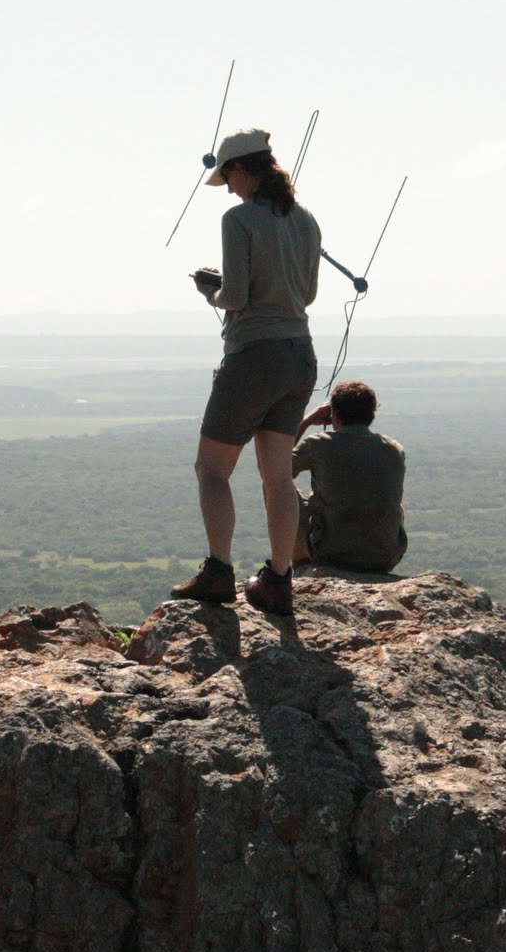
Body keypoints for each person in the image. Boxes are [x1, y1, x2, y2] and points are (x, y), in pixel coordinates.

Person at [169, 127, 321, 615]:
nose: (228, 188)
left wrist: (210, 291)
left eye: (228, 178)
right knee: (277, 475)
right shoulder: (305, 219)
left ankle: (219, 572)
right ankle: (278, 579)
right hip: (300, 355)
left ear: (241, 169)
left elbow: (234, 297)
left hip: (254, 355)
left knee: (211, 469)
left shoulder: (238, 219)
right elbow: (307, 295)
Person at [290, 380, 408, 574]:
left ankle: (302, 564)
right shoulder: (395, 449)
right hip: (385, 558)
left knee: (275, 487)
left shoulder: (319, 444)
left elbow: (275, 470)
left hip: (332, 555)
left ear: (334, 414)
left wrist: (307, 421)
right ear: (371, 414)